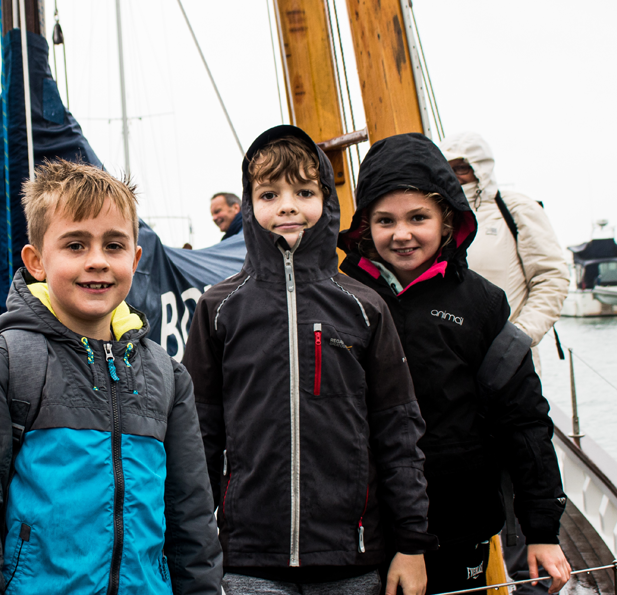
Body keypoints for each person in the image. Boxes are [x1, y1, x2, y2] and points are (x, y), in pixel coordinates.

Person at [0, 159, 222, 594]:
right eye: (75, 245)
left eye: (114, 245)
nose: (97, 262)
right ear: (36, 260)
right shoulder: (2, 363)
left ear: (136, 258)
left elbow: (192, 517)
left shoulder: (167, 375)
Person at [184, 125, 435, 595]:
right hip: (248, 559)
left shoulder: (364, 306)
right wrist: (191, 544)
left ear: (327, 200)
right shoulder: (219, 308)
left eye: (303, 191)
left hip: (352, 555)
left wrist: (412, 543)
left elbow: (398, 430)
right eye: (268, 193)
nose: (287, 205)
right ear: (249, 203)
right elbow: (199, 436)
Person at [338, 133, 570, 594]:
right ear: (365, 227)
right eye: (385, 220)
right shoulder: (341, 298)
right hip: (366, 524)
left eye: (418, 217)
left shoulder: (483, 303)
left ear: (448, 222)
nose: (401, 234)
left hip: (459, 520)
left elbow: (523, 419)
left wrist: (542, 530)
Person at [439, 132, 569, 374]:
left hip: (509, 361)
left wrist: (520, 336)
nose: (454, 176)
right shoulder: (436, 217)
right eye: (447, 169)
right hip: (450, 361)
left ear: (481, 168)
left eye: (462, 167)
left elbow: (551, 278)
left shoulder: (516, 209)